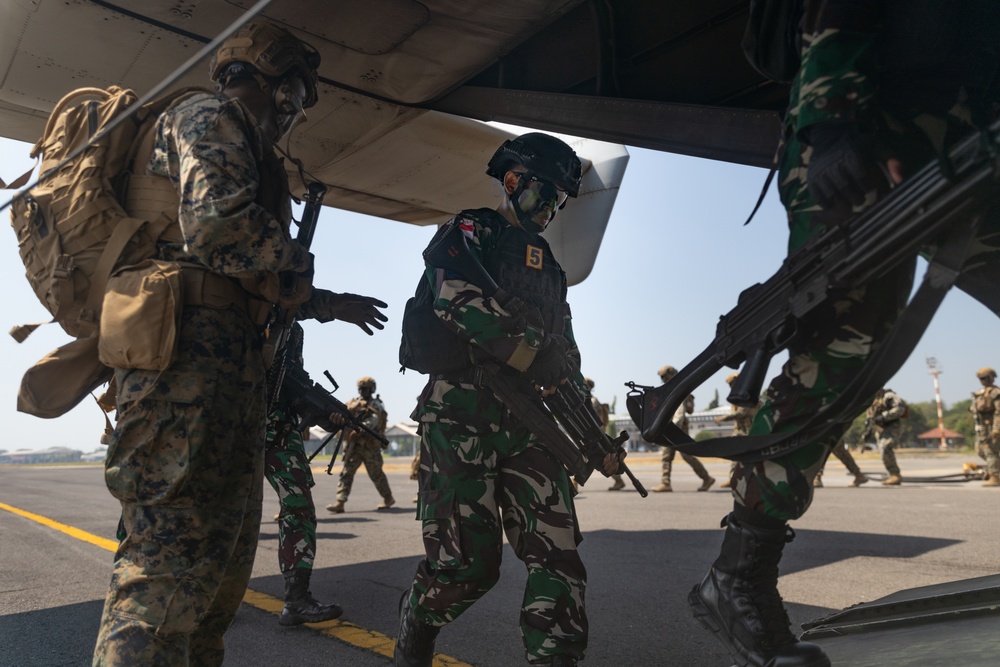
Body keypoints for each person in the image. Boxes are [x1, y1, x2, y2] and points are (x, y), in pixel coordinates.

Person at [688, 3, 1000, 667]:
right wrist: (831, 121)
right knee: (842, 344)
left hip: (974, 125)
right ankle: (738, 573)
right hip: (870, 117)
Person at [93, 23, 386, 666]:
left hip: (228, 373)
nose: (298, 109)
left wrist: (324, 303)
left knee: (217, 572)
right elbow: (222, 228)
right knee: (165, 567)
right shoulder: (206, 114)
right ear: (273, 80)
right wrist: (299, 269)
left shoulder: (254, 148)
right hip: (183, 369)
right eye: (298, 93)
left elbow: (255, 275)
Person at [394, 132, 623, 667]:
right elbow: (455, 299)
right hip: (460, 414)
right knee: (467, 568)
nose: (552, 207)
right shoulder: (470, 231)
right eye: (546, 193)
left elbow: (564, 358)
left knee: (558, 555)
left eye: (561, 200)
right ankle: (418, 617)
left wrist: (592, 438)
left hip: (529, 423)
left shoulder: (550, 264)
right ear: (514, 180)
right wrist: (528, 352)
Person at [265, 324, 343, 626]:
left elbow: (292, 383)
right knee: (221, 514)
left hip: (280, 431)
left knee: (299, 508)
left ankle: (297, 600)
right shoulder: (237, 306)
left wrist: (325, 415)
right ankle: (208, 603)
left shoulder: (292, 328)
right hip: (231, 425)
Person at [325, 377, 394, 513]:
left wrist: (359, 431)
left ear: (372, 389)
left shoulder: (376, 405)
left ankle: (388, 498)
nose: (363, 392)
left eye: (366, 389)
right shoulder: (352, 404)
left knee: (376, 474)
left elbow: (374, 421)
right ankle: (340, 502)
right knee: (346, 474)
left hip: (370, 446)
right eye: (361, 389)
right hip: (354, 447)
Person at [652, 365, 715, 493]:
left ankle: (667, 483)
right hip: (675, 429)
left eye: (665, 377)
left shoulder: (678, 390)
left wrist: (670, 430)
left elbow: (680, 414)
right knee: (679, 456)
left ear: (671, 374)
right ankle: (705, 478)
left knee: (675, 456)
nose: (663, 380)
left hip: (674, 429)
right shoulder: (677, 389)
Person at [714, 372, 759, 489]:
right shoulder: (738, 395)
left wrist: (723, 418)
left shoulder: (748, 394)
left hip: (751, 430)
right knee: (734, 454)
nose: (731, 387)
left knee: (752, 457)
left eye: (732, 384)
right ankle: (733, 478)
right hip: (740, 430)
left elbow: (741, 413)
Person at [865, 388, 908, 485]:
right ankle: (893, 475)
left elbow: (900, 409)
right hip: (880, 428)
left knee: (885, 447)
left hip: (892, 426)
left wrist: (884, 416)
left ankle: (895, 475)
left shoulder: (888, 396)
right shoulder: (871, 398)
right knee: (883, 451)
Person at [970, 367, 1000, 486]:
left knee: (990, 451)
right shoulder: (981, 393)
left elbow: (999, 411)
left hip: (992, 427)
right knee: (980, 450)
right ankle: (995, 470)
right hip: (982, 428)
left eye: (984, 378)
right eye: (980, 379)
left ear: (991, 378)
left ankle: (995, 477)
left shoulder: (995, 393)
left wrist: (997, 428)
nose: (982, 381)